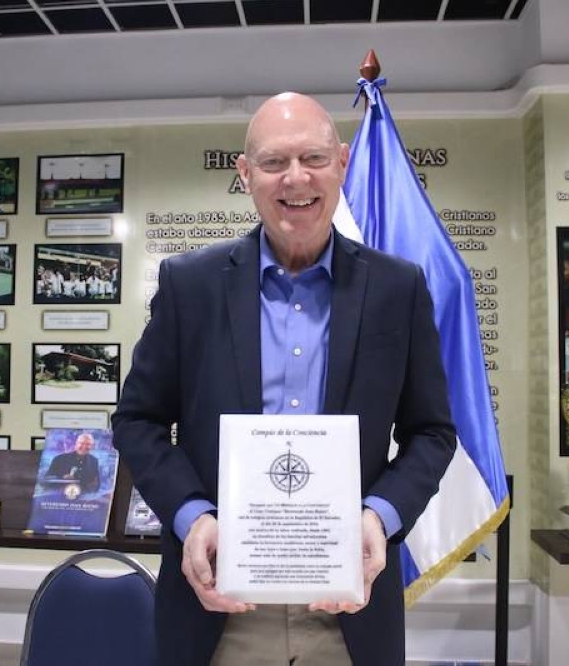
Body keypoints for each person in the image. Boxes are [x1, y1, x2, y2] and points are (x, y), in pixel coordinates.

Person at [111, 92, 456, 666]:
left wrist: (380, 516)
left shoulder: (399, 290)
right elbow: (137, 420)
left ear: (342, 162)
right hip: (218, 614)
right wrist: (191, 515)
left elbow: (433, 433)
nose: (296, 179)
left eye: (314, 158)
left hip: (350, 614)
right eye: (274, 163)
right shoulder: (189, 286)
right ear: (246, 175)